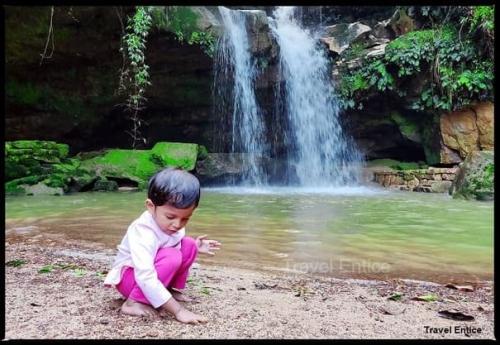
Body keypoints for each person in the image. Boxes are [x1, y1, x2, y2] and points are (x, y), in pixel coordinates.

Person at [104, 167, 221, 324]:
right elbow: (145, 274)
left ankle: (168, 290)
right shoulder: (143, 231)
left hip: (151, 271)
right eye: (170, 216)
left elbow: (173, 242)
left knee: (189, 244)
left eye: (185, 218)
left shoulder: (171, 223)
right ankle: (133, 302)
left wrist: (197, 246)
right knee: (172, 256)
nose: (178, 224)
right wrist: (178, 311)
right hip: (130, 279)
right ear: (151, 207)